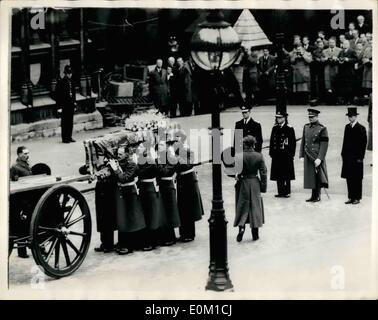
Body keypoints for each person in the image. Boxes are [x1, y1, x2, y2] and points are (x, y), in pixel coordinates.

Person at [108, 142, 146, 255]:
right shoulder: (119, 163)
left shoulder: (132, 164)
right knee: (123, 219)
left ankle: (131, 245)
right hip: (122, 194)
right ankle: (124, 243)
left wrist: (116, 169)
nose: (118, 156)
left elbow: (124, 178)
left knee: (132, 220)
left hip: (131, 194)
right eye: (118, 154)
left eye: (120, 154)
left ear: (126, 155)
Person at [234, 135, 267, 242]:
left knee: (242, 206)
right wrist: (263, 187)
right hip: (254, 182)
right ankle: (255, 233)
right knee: (255, 207)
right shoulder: (259, 156)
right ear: (253, 144)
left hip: (243, 182)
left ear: (244, 144)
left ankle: (241, 227)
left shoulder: (239, 156)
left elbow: (236, 171)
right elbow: (263, 173)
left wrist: (237, 176)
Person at [136, 141, 167, 250]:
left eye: (140, 147)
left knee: (151, 216)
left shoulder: (148, 160)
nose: (138, 148)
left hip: (149, 188)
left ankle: (152, 242)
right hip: (145, 189)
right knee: (148, 215)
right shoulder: (142, 159)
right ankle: (150, 241)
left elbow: (143, 172)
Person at [175, 133, 204, 242]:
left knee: (189, 208)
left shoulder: (189, 151)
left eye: (179, 140)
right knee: (181, 207)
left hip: (189, 181)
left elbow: (187, 165)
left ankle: (190, 234)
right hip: (181, 180)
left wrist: (176, 158)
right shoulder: (176, 152)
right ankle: (183, 233)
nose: (177, 142)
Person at [299, 109, 329, 202]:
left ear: (317, 117)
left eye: (312, 117)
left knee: (317, 176)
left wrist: (320, 158)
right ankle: (313, 196)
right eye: (309, 117)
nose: (310, 119)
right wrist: (301, 155)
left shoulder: (322, 128)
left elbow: (324, 144)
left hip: (316, 155)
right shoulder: (306, 127)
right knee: (311, 176)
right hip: (308, 155)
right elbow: (303, 141)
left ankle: (318, 195)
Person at [156, 140, 181, 245]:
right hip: (161, 187)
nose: (160, 147)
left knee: (169, 212)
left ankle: (170, 237)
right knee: (163, 213)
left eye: (162, 145)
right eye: (159, 146)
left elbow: (165, 172)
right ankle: (163, 237)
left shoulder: (170, 159)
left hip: (168, 187)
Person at [10, 146, 32, 258]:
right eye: (24, 153)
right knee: (21, 224)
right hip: (21, 200)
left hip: (28, 197)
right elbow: (14, 184)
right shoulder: (15, 167)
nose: (27, 155)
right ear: (19, 154)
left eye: (28, 153)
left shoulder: (27, 164)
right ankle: (21, 251)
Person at [341, 107, 367, 205]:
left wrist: (360, 158)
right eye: (349, 116)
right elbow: (345, 142)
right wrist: (343, 154)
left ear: (356, 116)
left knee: (357, 178)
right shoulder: (347, 127)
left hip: (357, 158)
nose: (350, 118)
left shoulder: (361, 128)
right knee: (349, 178)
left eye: (351, 116)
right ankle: (351, 197)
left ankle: (357, 198)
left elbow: (363, 144)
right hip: (348, 157)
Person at [269, 111, 296, 198]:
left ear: (284, 118)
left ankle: (287, 191)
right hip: (276, 155)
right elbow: (272, 141)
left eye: (280, 117)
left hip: (286, 155)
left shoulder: (289, 128)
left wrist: (291, 155)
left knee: (286, 174)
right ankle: (280, 191)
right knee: (278, 173)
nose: (278, 119)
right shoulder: (275, 128)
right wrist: (271, 153)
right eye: (277, 117)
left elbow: (293, 143)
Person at [94, 157, 118, 253]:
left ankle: (109, 244)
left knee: (107, 219)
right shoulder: (99, 160)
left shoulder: (111, 162)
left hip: (108, 191)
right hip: (100, 190)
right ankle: (104, 243)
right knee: (101, 218)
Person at [56, 65, 76, 143]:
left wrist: (74, 104)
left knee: (70, 121)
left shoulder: (72, 81)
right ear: (65, 74)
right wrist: (59, 107)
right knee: (65, 122)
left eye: (70, 73)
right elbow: (58, 96)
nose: (70, 75)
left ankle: (69, 136)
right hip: (64, 105)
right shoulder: (61, 82)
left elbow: (73, 94)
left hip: (70, 105)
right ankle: (65, 138)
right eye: (68, 73)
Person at [337, 40, 358, 105]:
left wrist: (348, 59)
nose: (345, 45)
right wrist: (339, 60)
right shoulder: (341, 51)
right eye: (344, 44)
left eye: (346, 44)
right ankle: (345, 100)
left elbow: (356, 59)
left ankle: (350, 100)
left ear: (348, 45)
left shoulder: (352, 51)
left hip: (349, 72)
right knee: (343, 87)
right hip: (342, 72)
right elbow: (338, 58)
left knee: (350, 87)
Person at [323, 37, 341, 102]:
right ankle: (329, 100)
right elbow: (322, 60)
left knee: (336, 83)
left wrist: (337, 59)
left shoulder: (339, 50)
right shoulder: (324, 51)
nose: (331, 44)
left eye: (333, 42)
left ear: (335, 43)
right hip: (328, 68)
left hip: (336, 68)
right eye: (330, 42)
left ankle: (337, 100)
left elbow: (341, 59)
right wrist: (325, 59)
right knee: (328, 84)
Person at [310, 39, 326, 104]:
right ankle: (318, 98)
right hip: (317, 69)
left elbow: (325, 58)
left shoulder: (325, 51)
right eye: (319, 45)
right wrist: (318, 59)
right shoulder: (314, 52)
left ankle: (323, 98)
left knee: (323, 83)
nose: (320, 46)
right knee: (318, 83)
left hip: (324, 68)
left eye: (321, 45)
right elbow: (314, 59)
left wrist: (323, 59)